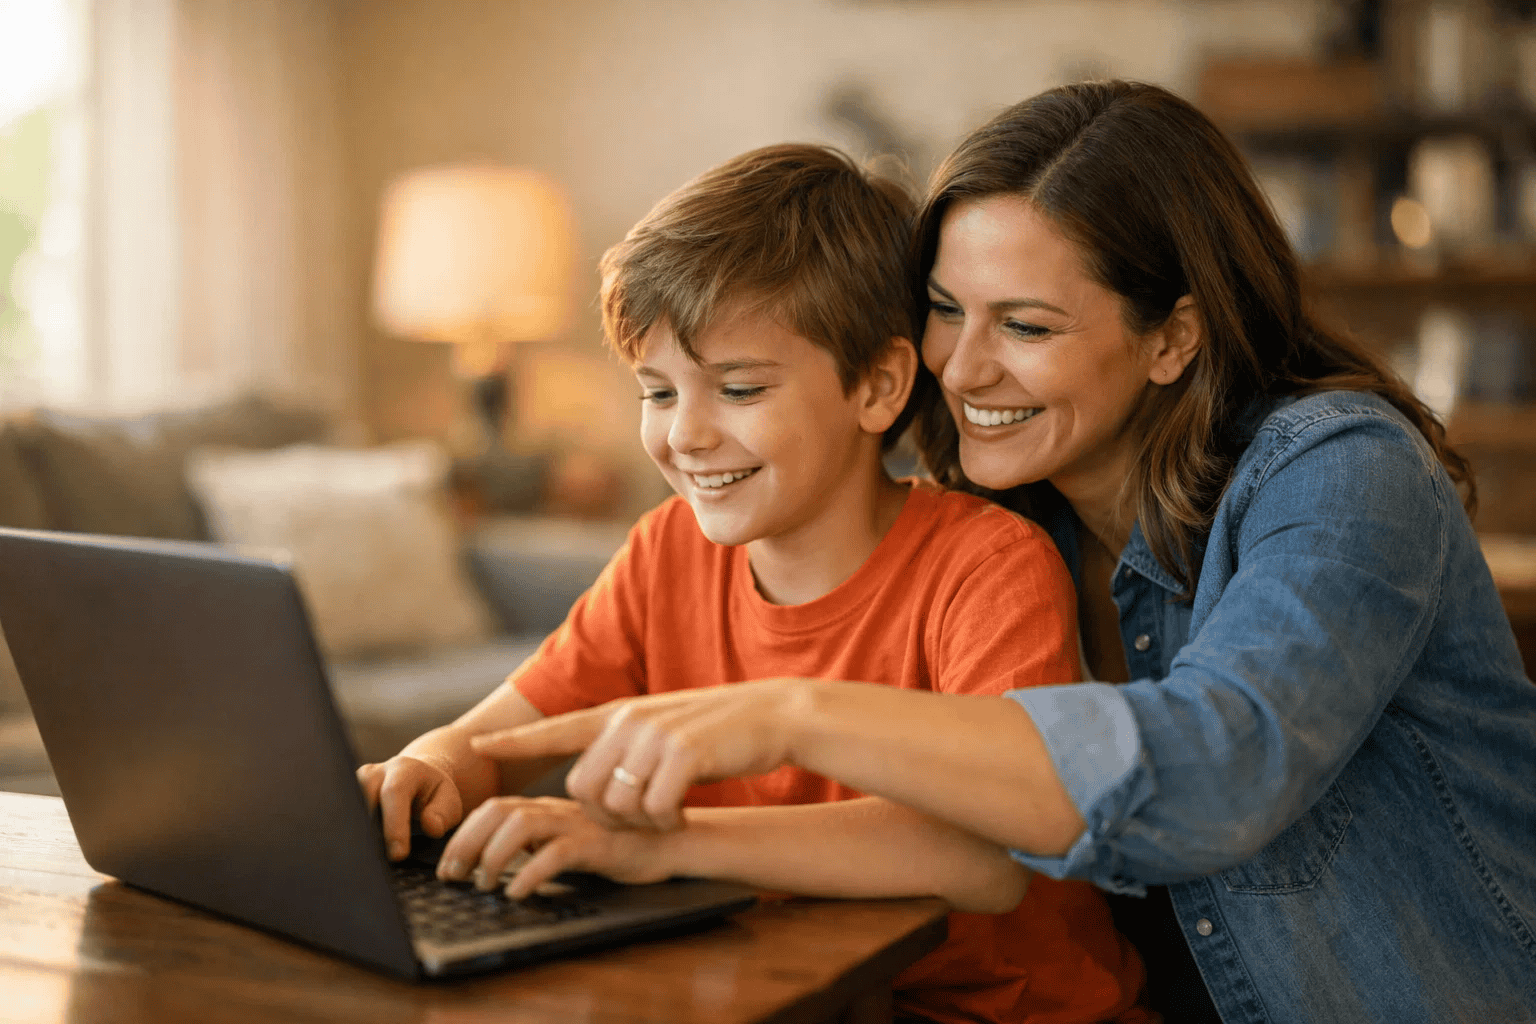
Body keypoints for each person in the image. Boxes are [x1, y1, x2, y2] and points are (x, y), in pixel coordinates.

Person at [478, 83, 1536, 1023]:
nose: (962, 366)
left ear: (1173, 336)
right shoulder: (1016, 516)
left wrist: (783, 713)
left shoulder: (1344, 470)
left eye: (1024, 326)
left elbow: (1219, 766)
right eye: (944, 311)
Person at [358, 143, 1154, 1024]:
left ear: (880, 387)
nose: (685, 436)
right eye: (657, 393)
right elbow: (504, 734)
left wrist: (662, 847)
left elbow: (987, 859)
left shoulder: (986, 565)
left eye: (737, 389)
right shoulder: (665, 550)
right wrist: (426, 767)